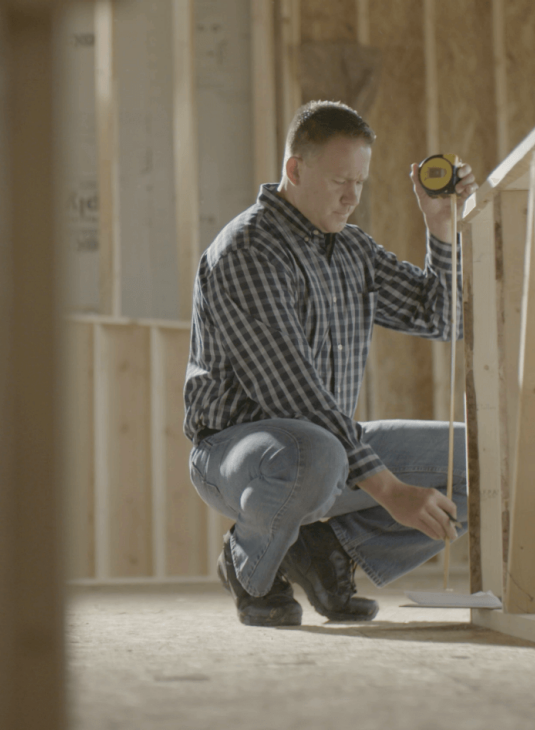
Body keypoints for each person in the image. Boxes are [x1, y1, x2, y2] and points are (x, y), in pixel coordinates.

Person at [184, 100, 478, 627]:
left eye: (360, 183)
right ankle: (248, 566)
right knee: (314, 455)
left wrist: (440, 227)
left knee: (479, 457)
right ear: (295, 170)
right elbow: (292, 391)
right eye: (340, 180)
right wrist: (390, 491)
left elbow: (444, 320)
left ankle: (323, 548)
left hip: (328, 448)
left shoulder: (351, 250)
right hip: (236, 454)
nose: (351, 197)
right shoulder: (247, 249)